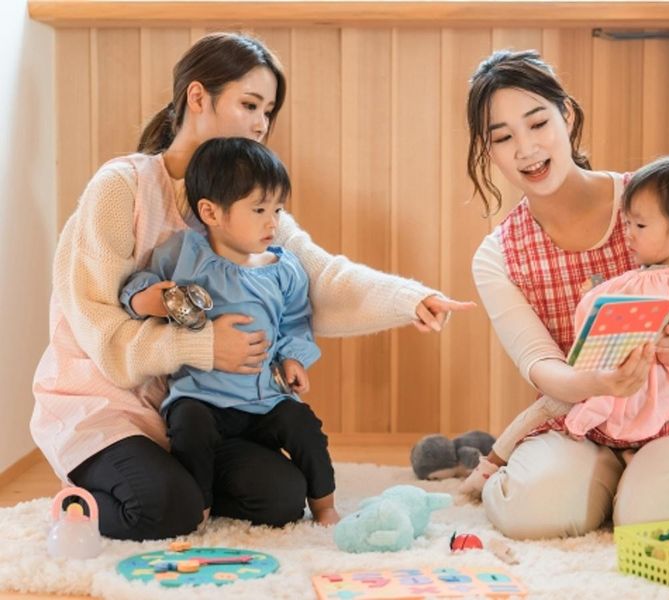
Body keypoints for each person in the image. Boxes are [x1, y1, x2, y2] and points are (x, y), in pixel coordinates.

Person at [31, 32, 473, 541]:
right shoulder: (121, 187)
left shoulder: (250, 208)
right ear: (198, 97)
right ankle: (84, 503)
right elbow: (100, 330)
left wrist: (410, 300)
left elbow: (319, 277)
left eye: (268, 111)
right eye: (250, 105)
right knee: (165, 509)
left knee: (281, 498)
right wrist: (204, 346)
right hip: (103, 403)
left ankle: (182, 484)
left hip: (195, 407)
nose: (261, 123)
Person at [465, 49, 669, 540]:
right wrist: (599, 383)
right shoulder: (497, 254)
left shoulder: (655, 199)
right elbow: (538, 362)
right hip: (585, 417)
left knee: (655, 518)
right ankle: (616, 484)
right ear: (489, 150)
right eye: (503, 137)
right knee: (531, 513)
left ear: (567, 115)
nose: (525, 149)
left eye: (538, 123)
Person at [459, 155, 669, 505]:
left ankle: (490, 466)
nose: (628, 234)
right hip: (666, 396)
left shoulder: (654, 279)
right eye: (627, 223)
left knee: (551, 407)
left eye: (639, 226)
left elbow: (592, 311)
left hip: (658, 398)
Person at [120, 137, 341, 526]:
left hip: (263, 399)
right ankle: (198, 507)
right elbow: (139, 285)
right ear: (210, 212)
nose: (272, 222)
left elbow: (295, 321)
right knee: (189, 424)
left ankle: (325, 506)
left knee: (303, 425)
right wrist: (144, 300)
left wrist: (293, 358)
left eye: (277, 209)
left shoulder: (283, 269)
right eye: (259, 210)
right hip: (201, 397)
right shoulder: (185, 254)